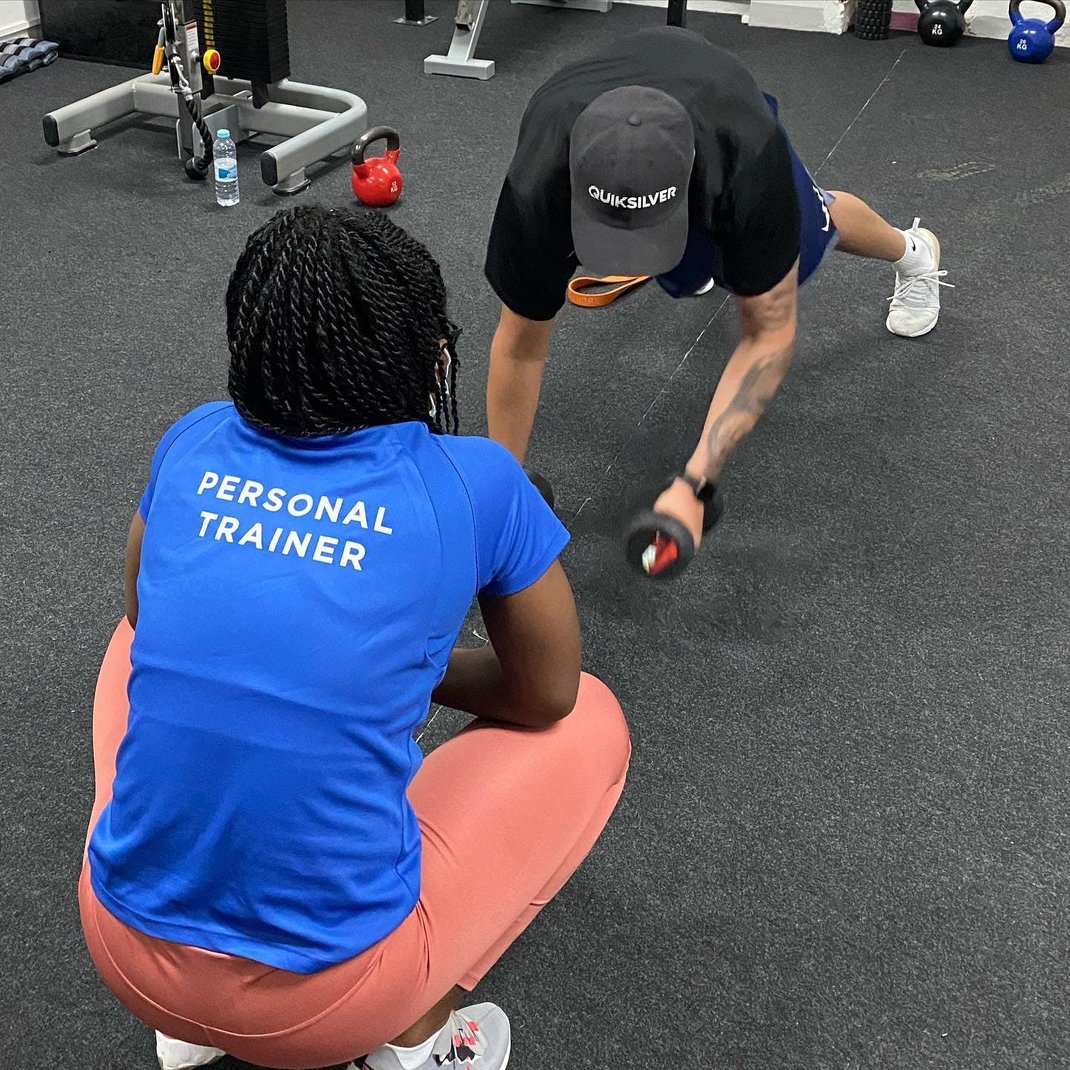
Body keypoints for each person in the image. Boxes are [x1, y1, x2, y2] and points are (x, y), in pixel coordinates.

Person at [80, 206, 631, 1070]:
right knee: (591, 721)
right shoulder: (478, 481)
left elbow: (147, 618)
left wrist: (343, 665)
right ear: (432, 354)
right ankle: (419, 1039)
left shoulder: (191, 438)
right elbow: (544, 692)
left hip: (122, 951)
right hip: (329, 1007)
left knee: (136, 642)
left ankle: (187, 1021)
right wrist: (396, 670)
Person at [484, 25, 952, 570]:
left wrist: (696, 482)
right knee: (677, 267)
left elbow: (769, 336)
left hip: (717, 102)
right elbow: (519, 345)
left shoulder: (747, 162)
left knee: (813, 223)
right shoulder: (538, 180)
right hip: (621, 97)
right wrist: (505, 482)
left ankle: (914, 251)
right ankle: (688, 258)